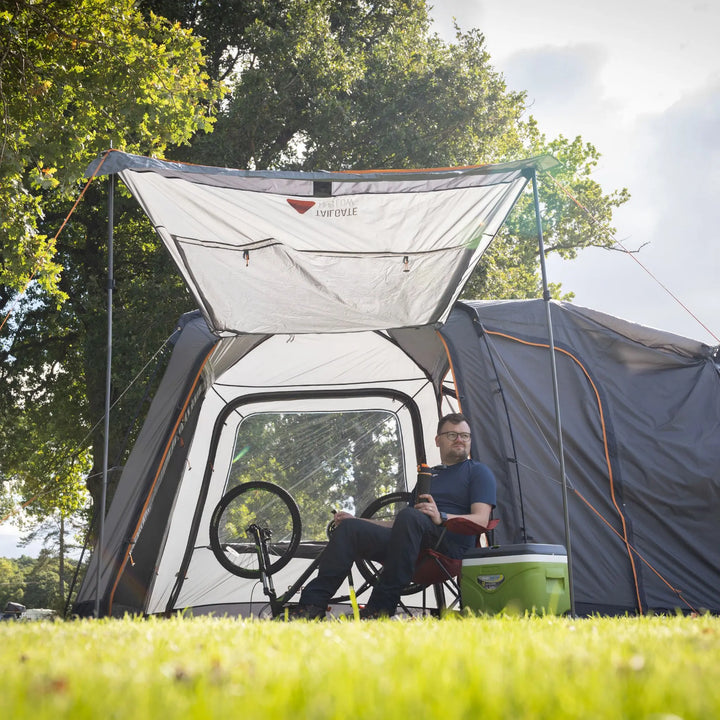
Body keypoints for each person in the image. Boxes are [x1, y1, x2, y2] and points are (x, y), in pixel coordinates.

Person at [287, 412, 496, 619]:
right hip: (409, 543)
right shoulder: (429, 476)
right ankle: (311, 606)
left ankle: (379, 609)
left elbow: (481, 520)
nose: (460, 439)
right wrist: (357, 520)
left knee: (410, 516)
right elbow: (400, 524)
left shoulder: (478, 471)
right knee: (350, 529)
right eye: (452, 435)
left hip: (447, 547)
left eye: (465, 436)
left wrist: (441, 516)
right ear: (438, 440)